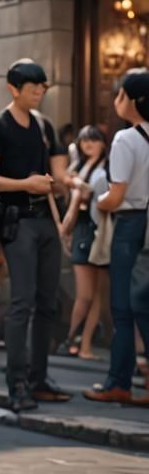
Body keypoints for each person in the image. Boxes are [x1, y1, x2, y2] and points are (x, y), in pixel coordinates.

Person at [0, 59, 70, 412]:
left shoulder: (45, 126)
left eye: (43, 87)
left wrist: (64, 194)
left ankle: (40, 379)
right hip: (16, 219)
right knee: (21, 303)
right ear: (14, 88)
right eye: (33, 87)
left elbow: (56, 176)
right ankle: (17, 383)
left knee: (48, 303)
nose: (39, 92)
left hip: (45, 222)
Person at [85, 68, 149, 406]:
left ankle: (118, 382)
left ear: (135, 101)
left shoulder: (126, 139)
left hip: (130, 225)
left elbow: (116, 194)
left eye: (121, 94)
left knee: (123, 307)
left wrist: (94, 200)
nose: (116, 100)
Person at [59, 126, 109, 359]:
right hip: (84, 229)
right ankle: (71, 338)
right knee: (86, 294)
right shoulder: (78, 167)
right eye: (84, 140)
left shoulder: (106, 167)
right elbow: (72, 198)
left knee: (97, 294)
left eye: (93, 140)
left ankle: (84, 344)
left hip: (99, 229)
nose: (88, 144)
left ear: (102, 143)